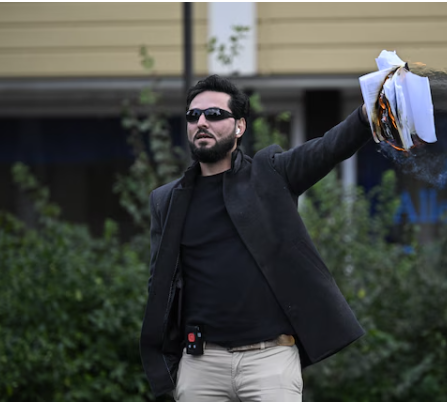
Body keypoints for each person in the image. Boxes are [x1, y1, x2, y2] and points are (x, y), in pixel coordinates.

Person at [140, 75, 372, 401]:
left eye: (214, 114)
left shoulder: (270, 174)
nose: (202, 122)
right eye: (194, 115)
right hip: (200, 364)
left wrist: (366, 115)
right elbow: (159, 285)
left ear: (239, 126)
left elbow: (328, 148)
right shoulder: (166, 200)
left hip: (270, 360)